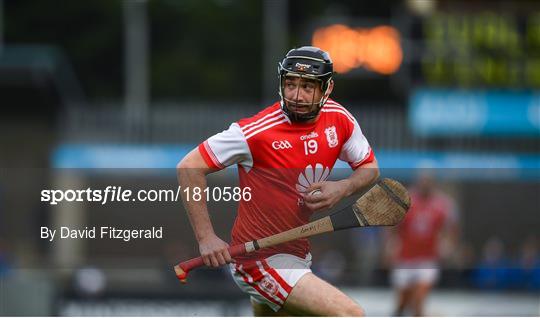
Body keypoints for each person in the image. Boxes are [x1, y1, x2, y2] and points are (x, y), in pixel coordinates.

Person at [177, 46, 379, 316]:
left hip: (297, 256)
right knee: (351, 314)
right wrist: (206, 238)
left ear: (327, 89)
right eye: (290, 84)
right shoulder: (255, 132)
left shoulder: (339, 119)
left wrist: (342, 188)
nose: (297, 95)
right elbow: (189, 166)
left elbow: (369, 168)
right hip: (259, 262)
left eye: (308, 86)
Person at [385, 173, 459, 316]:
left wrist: (449, 245)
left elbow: (452, 228)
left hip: (427, 258)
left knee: (419, 299)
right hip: (405, 258)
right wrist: (390, 246)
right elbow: (392, 226)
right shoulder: (406, 201)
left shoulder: (442, 204)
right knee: (402, 302)